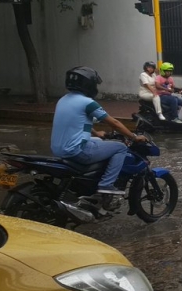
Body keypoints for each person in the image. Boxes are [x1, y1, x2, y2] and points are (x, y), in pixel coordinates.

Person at [51, 66, 147, 201]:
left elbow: (78, 121)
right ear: (88, 84)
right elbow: (114, 123)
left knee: (100, 141)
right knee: (120, 148)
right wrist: (134, 137)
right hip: (77, 150)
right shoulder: (88, 102)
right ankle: (106, 184)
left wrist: (96, 132)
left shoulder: (63, 100)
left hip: (59, 149)